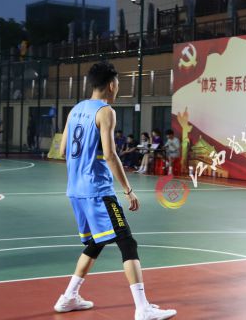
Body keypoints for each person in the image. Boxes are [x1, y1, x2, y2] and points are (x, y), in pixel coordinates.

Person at [56, 62, 176, 319]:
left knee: (95, 242)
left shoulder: (75, 110)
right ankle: (142, 309)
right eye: (118, 83)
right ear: (111, 84)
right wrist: (128, 190)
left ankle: (68, 297)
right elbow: (110, 155)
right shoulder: (105, 111)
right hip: (98, 190)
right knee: (127, 243)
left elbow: (62, 150)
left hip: (75, 191)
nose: (118, 87)